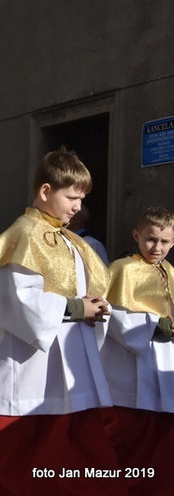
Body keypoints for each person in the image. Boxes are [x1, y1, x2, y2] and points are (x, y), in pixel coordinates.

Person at [0, 148, 124, 495]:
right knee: (12, 459)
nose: (77, 206)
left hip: (67, 361)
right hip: (25, 365)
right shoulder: (24, 233)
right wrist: (76, 309)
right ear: (45, 191)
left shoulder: (71, 241)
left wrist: (96, 307)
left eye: (81, 198)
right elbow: (16, 300)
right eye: (71, 197)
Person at [101, 206, 174, 495]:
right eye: (150, 239)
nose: (157, 247)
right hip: (131, 364)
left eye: (164, 242)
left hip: (164, 361)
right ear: (136, 235)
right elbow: (111, 314)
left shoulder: (169, 271)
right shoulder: (121, 269)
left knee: (161, 435)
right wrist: (154, 325)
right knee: (128, 434)